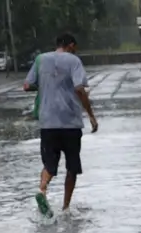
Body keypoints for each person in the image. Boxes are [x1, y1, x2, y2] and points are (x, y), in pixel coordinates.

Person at [24, 33, 98, 216]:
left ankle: (42, 190)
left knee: (50, 163)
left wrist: (46, 84)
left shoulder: (41, 59)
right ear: (71, 45)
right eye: (75, 47)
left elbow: (27, 85)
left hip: (48, 122)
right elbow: (79, 89)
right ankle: (65, 208)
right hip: (70, 123)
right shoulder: (74, 61)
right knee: (72, 167)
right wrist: (91, 116)